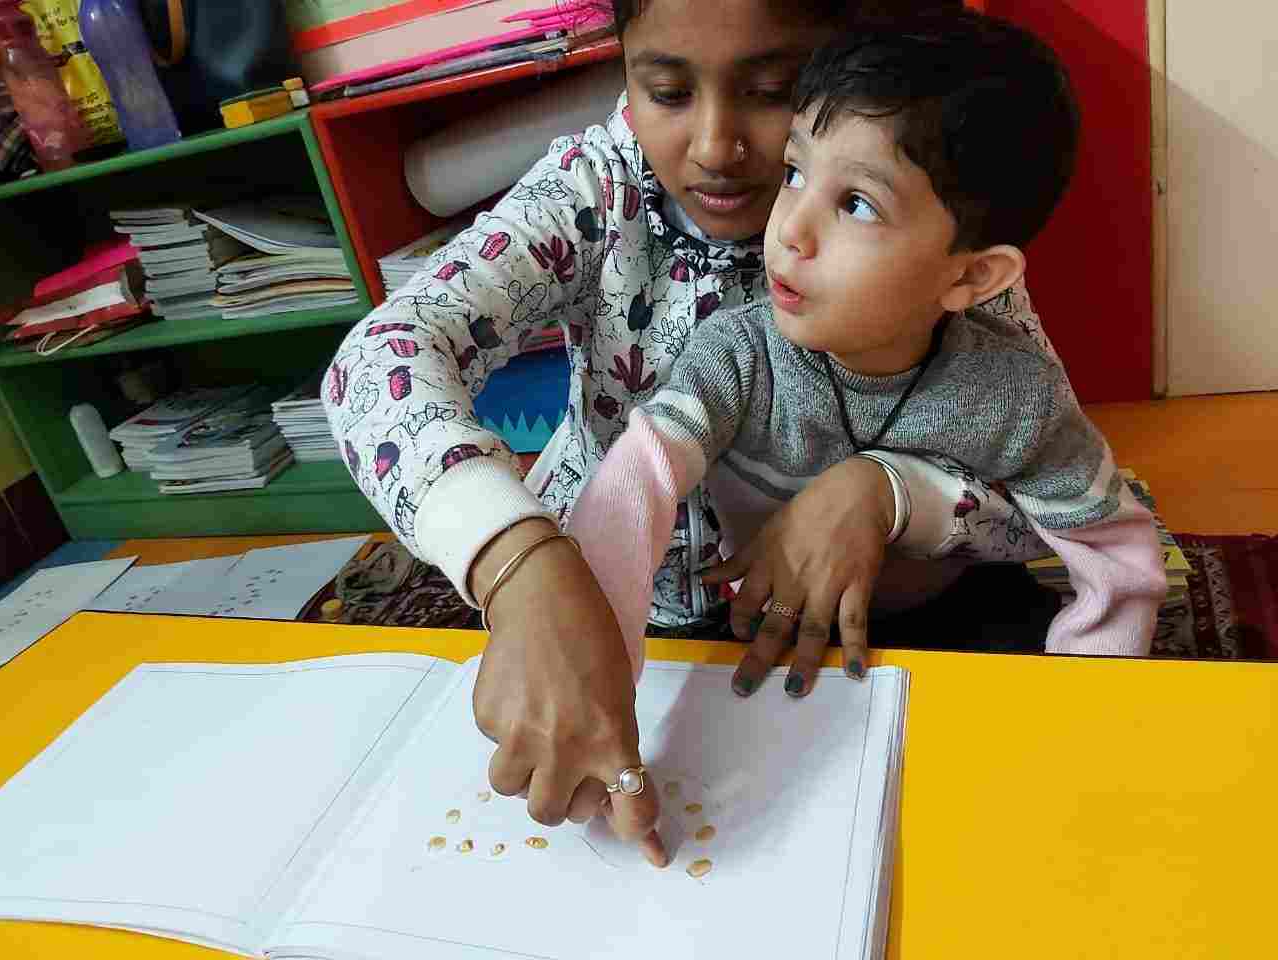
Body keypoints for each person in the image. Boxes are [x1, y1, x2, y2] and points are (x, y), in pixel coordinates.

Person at [322, 0, 1060, 866]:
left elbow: (1055, 477)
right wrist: (518, 562)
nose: (715, 147)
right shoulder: (597, 190)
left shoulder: (923, 204)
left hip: (869, 610)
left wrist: (889, 492)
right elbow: (379, 358)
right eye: (667, 91)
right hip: (633, 613)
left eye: (774, 90)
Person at [567, 10, 1169, 689]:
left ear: (972, 276)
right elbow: (638, 475)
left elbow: (1113, 548)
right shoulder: (737, 355)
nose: (791, 229)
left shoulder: (1014, 395)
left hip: (950, 615)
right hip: (764, 620)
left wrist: (1095, 686)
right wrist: (595, 664)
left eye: (855, 203)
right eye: (795, 171)